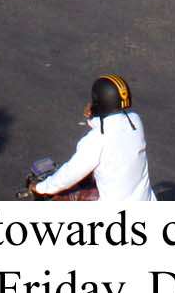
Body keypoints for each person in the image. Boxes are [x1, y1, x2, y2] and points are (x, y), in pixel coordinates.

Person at [30, 75, 154, 203]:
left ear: (98, 102)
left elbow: (69, 174)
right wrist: (92, 118)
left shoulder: (95, 141)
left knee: (59, 197)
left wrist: (41, 188)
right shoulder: (135, 121)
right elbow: (113, 126)